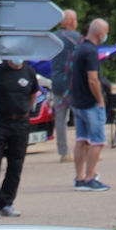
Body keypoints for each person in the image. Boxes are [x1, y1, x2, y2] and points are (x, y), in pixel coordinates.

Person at [0, 58, 39, 218]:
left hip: (20, 123)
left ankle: (6, 203)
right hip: (0, 121)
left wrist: (25, 110)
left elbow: (33, 94)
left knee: (16, 165)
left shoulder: (29, 72)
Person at [70, 19, 111, 191]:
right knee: (98, 141)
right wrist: (100, 99)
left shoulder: (79, 49)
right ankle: (90, 177)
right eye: (105, 33)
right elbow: (93, 79)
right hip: (90, 104)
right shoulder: (91, 52)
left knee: (82, 140)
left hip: (78, 102)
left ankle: (79, 178)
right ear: (100, 33)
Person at [50, 9, 81, 162]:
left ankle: (64, 152)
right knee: (80, 116)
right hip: (72, 83)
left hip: (57, 83)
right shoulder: (76, 38)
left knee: (60, 119)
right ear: (72, 22)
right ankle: (84, 148)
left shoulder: (52, 37)